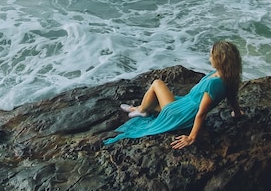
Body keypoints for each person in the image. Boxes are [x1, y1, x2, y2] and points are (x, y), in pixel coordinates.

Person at [103, 40, 243, 149]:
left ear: (220, 59)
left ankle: (141, 110)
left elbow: (201, 113)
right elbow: (232, 97)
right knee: (155, 102)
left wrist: (191, 137)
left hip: (182, 113)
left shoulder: (214, 84)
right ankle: (141, 109)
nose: (209, 58)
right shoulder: (229, 78)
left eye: (211, 55)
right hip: (185, 104)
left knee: (157, 83)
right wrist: (237, 113)